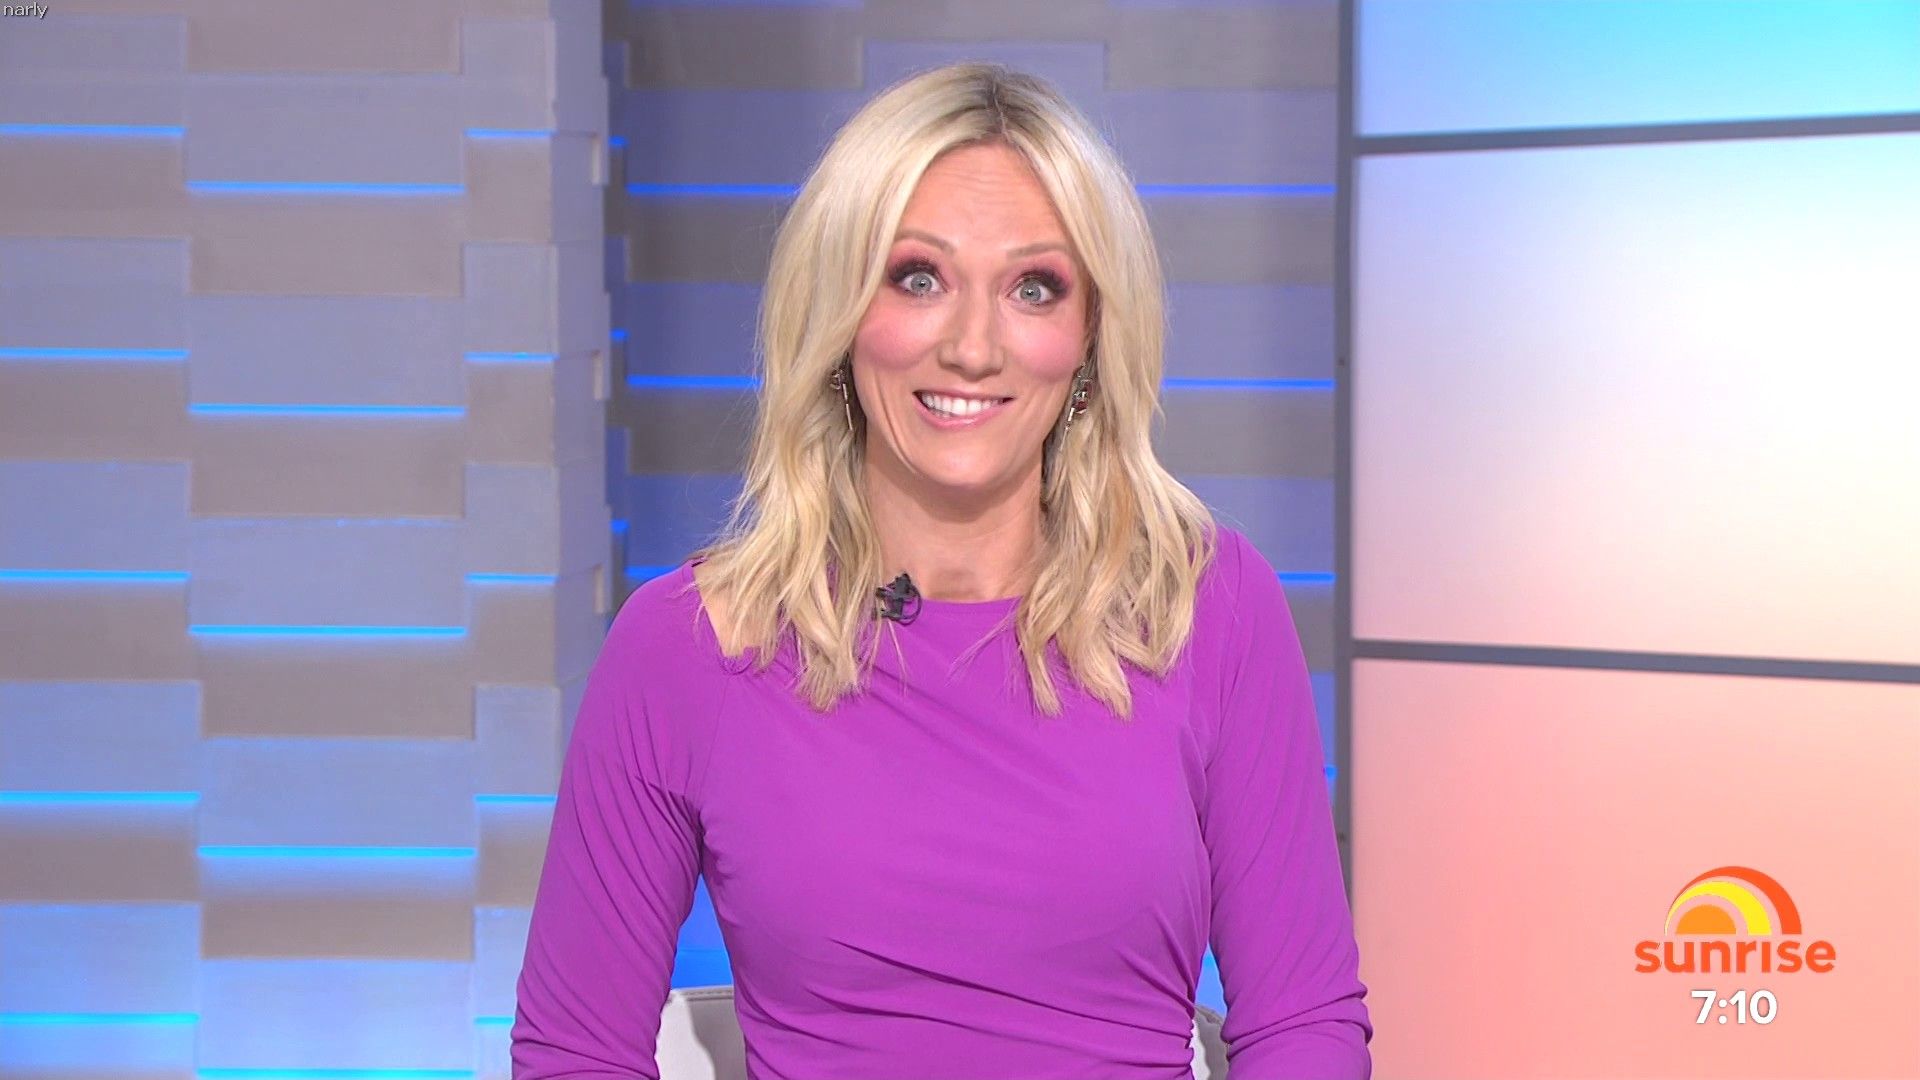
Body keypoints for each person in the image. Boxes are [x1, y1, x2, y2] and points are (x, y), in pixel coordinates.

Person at [510, 61, 1372, 1079]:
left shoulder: (1206, 606)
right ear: (840, 314)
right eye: (918, 278)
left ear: (1088, 336)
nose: (972, 346)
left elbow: (1303, 1026)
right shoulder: (690, 645)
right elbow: (575, 1055)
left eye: (1033, 288)